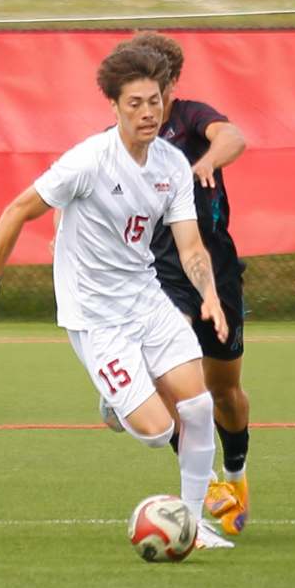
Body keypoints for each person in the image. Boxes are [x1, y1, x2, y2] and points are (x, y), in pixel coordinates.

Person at [0, 44, 233, 550]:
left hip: (146, 299)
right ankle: (116, 399)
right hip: (96, 316)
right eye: (134, 104)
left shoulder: (171, 165)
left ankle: (192, 525)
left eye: (154, 101)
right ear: (114, 106)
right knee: (154, 428)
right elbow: (17, 210)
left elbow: (190, 244)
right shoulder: (89, 161)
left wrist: (208, 294)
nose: (146, 113)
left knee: (196, 405)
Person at [114, 32, 250, 537]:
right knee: (172, 384)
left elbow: (233, 136)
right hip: (160, 270)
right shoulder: (126, 134)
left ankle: (235, 474)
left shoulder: (191, 116)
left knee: (224, 389)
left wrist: (211, 159)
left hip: (213, 262)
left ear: (171, 83)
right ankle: (206, 485)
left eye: (159, 87)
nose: (151, 101)